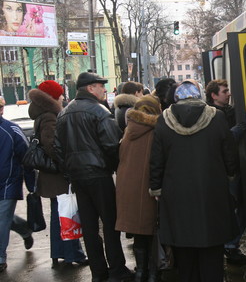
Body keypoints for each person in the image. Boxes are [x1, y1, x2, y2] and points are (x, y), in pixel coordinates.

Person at [149, 82, 238, 281]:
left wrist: (156, 188)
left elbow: (157, 159)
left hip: (176, 194)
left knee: (184, 251)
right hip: (211, 191)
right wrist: (230, 174)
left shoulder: (164, 120)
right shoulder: (217, 117)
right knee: (212, 248)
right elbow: (229, 153)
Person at [54, 72, 133, 282]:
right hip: (99, 175)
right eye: (100, 86)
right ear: (90, 88)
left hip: (78, 177)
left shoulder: (64, 113)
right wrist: (115, 167)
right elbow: (112, 144)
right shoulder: (99, 111)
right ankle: (117, 270)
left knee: (89, 227)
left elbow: (58, 148)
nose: (104, 89)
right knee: (110, 223)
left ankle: (98, 273)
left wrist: (70, 170)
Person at [28, 80, 88, 268]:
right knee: (66, 214)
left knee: (59, 214)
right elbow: (52, 145)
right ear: (53, 97)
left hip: (50, 175)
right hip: (57, 174)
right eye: (60, 94)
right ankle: (72, 254)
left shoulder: (43, 114)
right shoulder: (49, 116)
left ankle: (60, 253)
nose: (63, 97)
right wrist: (66, 162)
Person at [205, 79, 246, 265]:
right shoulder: (209, 115)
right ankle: (229, 246)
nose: (229, 94)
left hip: (237, 166)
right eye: (225, 91)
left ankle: (231, 244)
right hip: (225, 170)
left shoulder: (231, 112)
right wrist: (234, 132)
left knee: (242, 207)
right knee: (230, 209)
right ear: (214, 95)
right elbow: (217, 141)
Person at [115, 95, 162, 282]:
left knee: (139, 232)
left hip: (127, 187)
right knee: (152, 231)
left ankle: (141, 272)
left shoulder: (128, 130)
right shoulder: (156, 130)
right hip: (149, 188)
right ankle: (152, 273)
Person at [0, 96, 36, 272]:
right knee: (4, 219)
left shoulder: (11, 129)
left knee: (1, 219)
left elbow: (27, 157)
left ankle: (0, 258)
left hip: (8, 183)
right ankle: (25, 229)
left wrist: (32, 184)